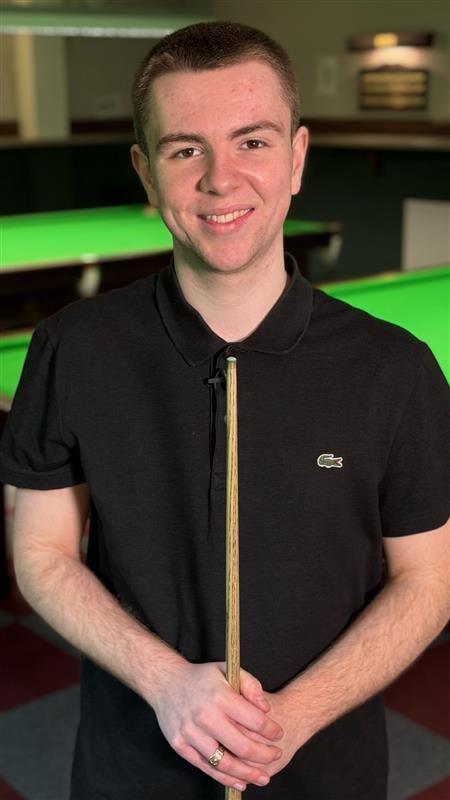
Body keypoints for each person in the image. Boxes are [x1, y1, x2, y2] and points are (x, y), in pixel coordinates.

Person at [1, 20, 449, 800]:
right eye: (184, 149)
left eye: (252, 142)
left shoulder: (397, 369)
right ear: (146, 172)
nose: (220, 178)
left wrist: (292, 718)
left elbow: (428, 581)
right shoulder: (71, 348)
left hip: (326, 775)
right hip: (128, 772)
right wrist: (168, 682)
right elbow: (41, 554)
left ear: (298, 156)